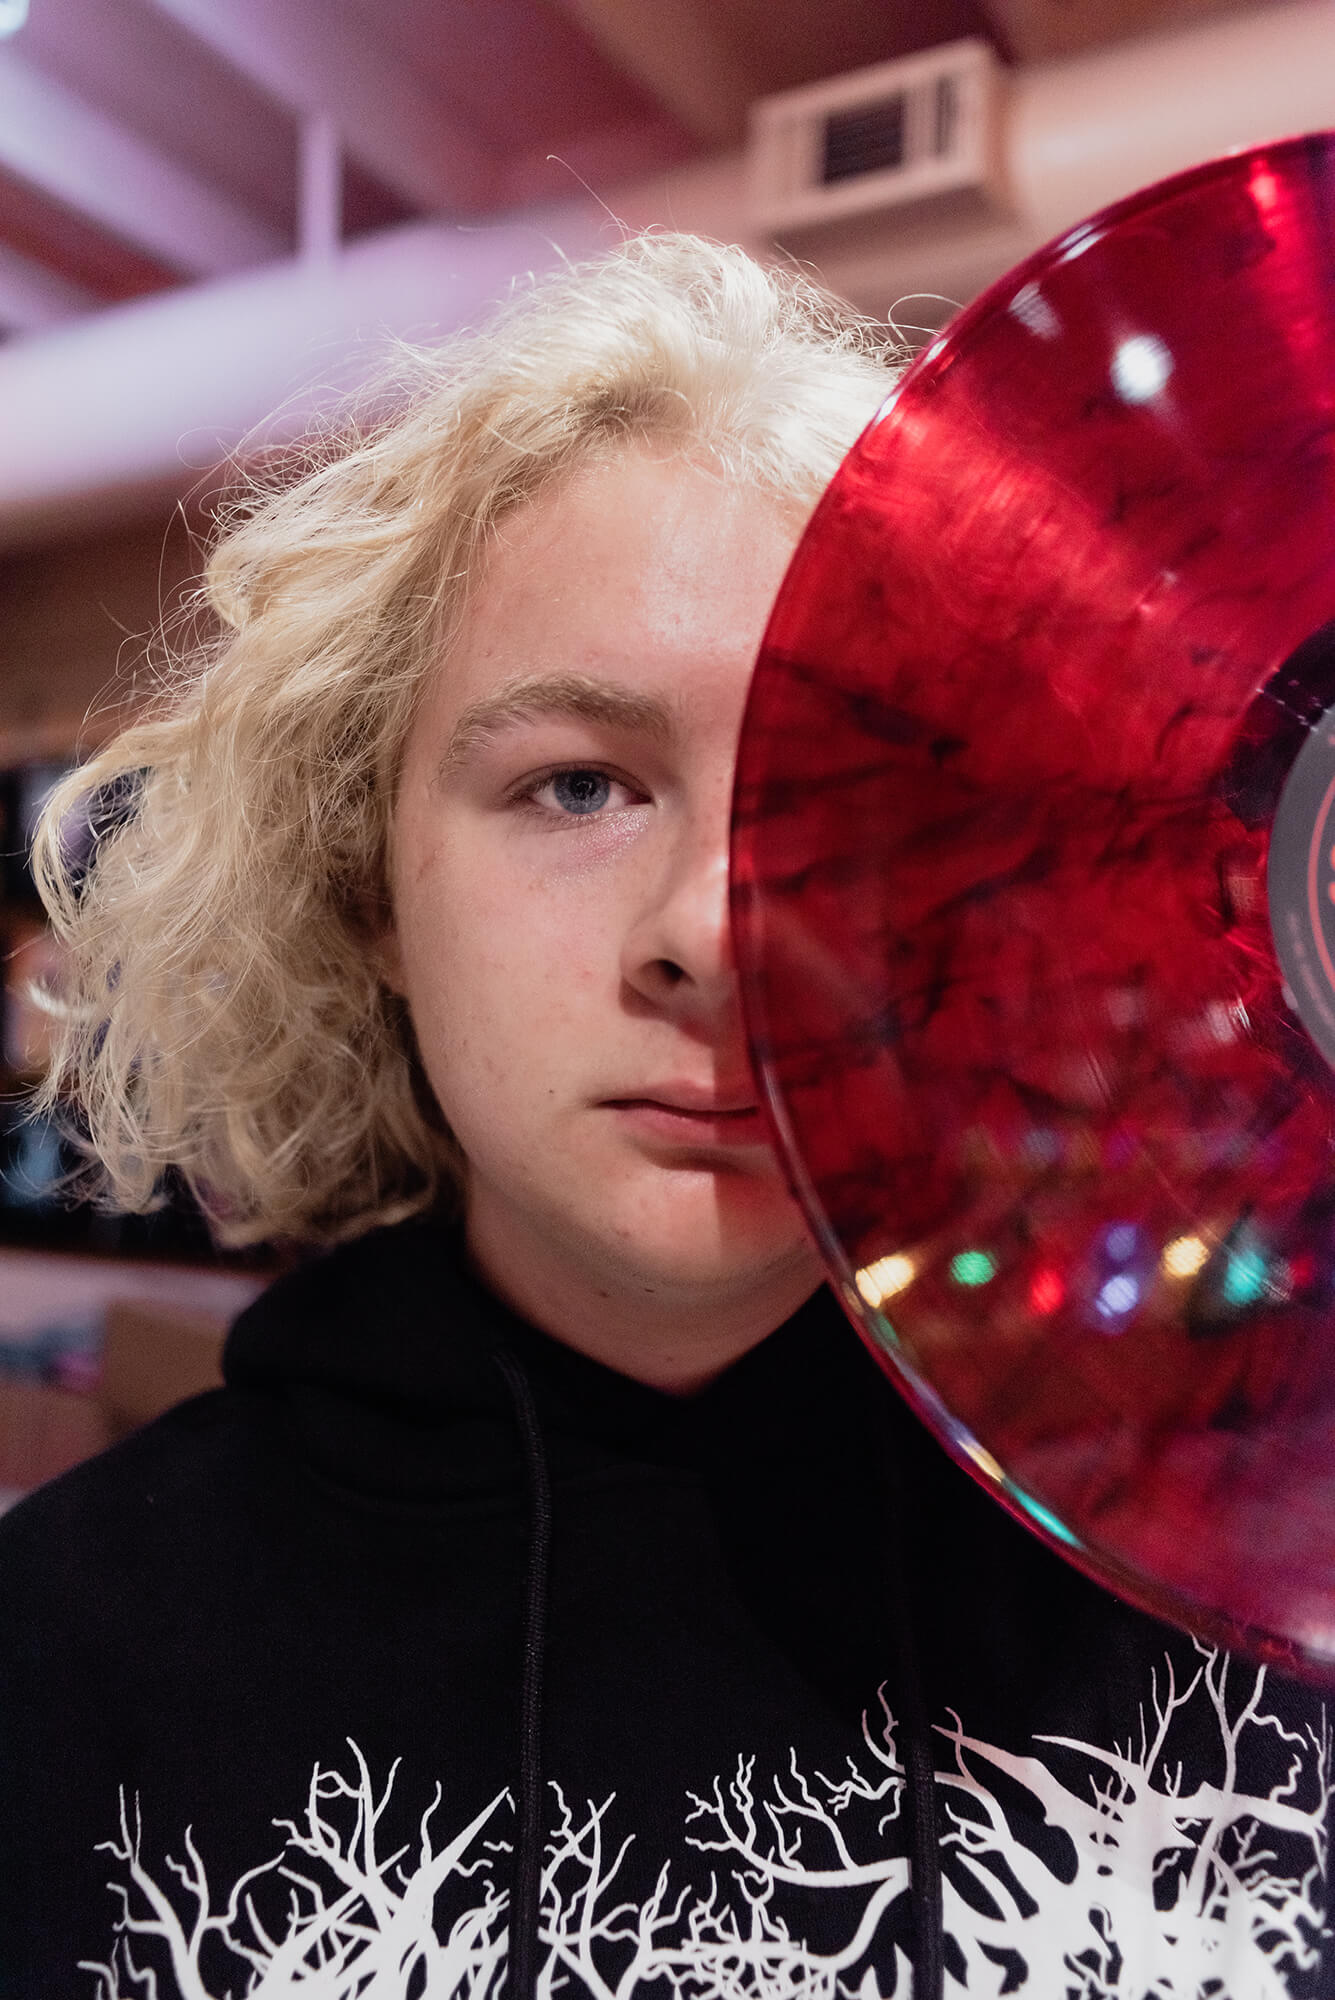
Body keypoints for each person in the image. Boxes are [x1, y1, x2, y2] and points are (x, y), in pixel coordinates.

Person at [0, 233, 1331, 2000]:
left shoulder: (1252, 1584)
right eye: (578, 786)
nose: (714, 933)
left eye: (836, 790)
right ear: (373, 885)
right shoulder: (60, 1653)